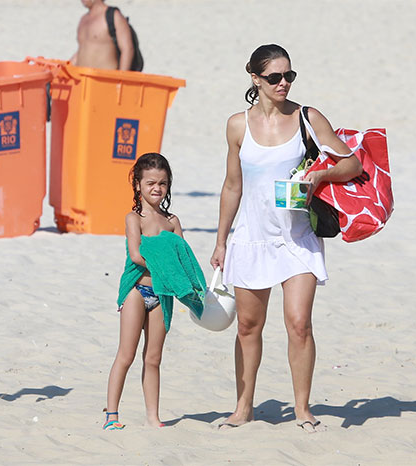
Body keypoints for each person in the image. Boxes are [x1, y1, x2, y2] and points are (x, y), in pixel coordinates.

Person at [210, 44, 363, 433]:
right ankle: (243, 407)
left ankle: (302, 409)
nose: (284, 84)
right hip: (252, 234)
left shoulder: (307, 117)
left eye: (289, 76)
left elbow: (352, 162)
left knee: (299, 324)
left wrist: (321, 176)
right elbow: (232, 186)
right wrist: (221, 240)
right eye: (275, 77)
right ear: (255, 78)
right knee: (248, 326)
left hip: (297, 236)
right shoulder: (237, 125)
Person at [104, 153, 188, 430]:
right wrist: (166, 265)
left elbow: (182, 257)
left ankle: (153, 416)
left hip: (162, 294)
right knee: (126, 355)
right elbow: (137, 255)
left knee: (153, 358)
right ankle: (112, 415)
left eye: (163, 183)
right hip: (137, 291)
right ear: (137, 184)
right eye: (150, 182)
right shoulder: (134, 219)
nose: (157, 188)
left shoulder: (172, 221)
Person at [71, 0, 134, 70]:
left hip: (104, 78)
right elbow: (83, 50)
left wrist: (121, 78)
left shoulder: (113, 16)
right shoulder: (83, 19)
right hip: (82, 77)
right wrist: (64, 69)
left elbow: (127, 49)